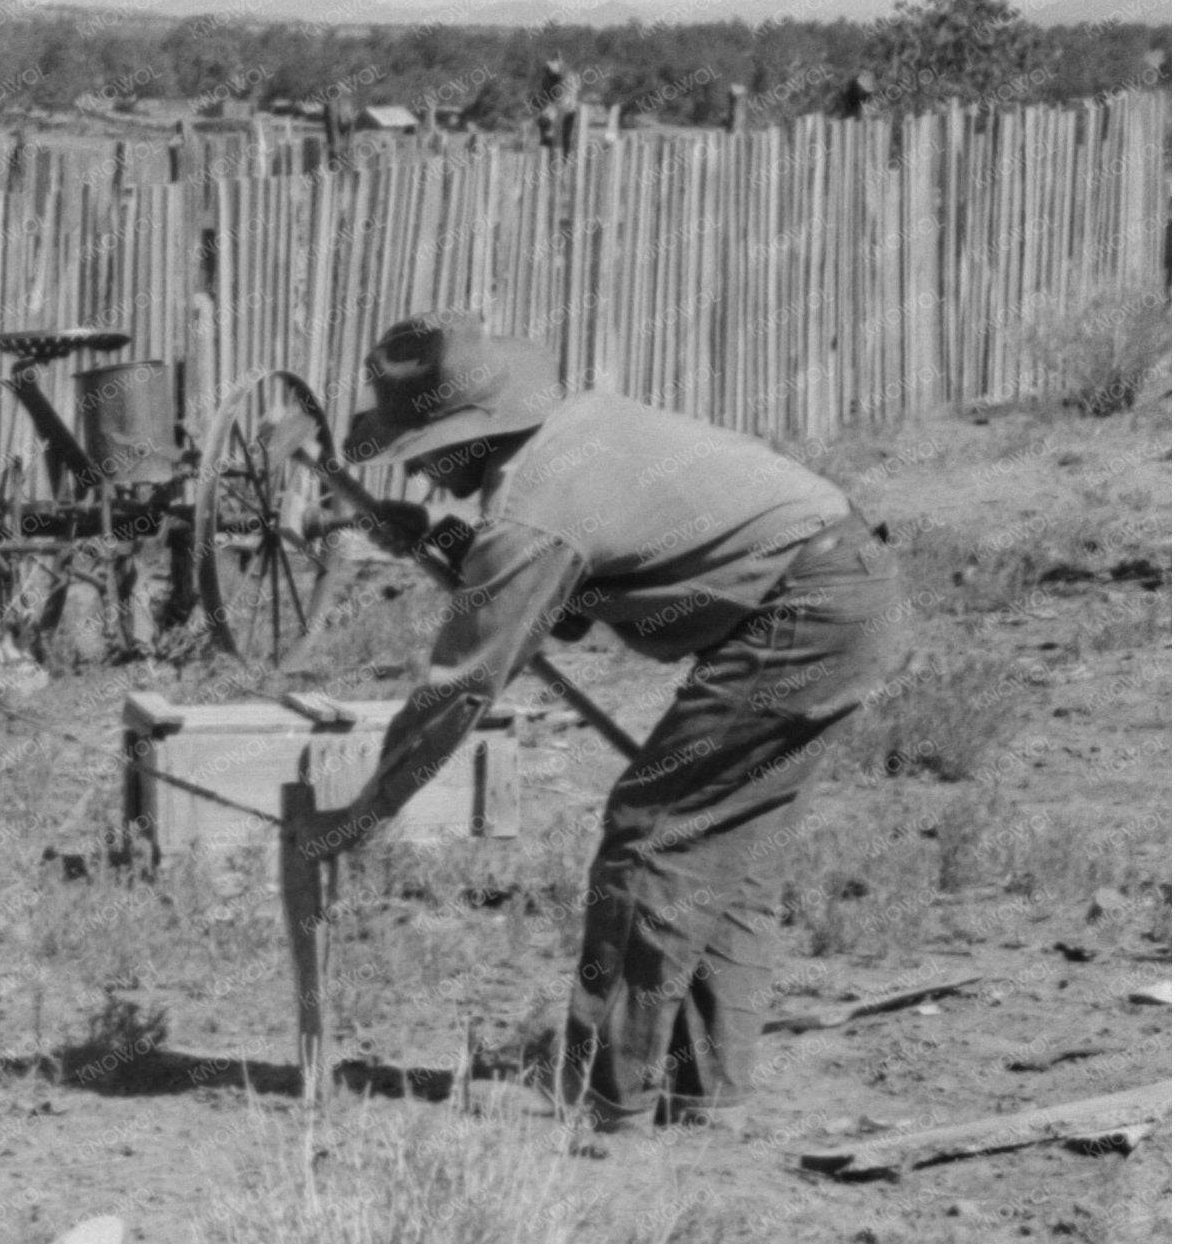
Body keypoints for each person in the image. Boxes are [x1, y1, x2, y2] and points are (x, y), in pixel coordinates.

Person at [308, 316, 910, 1139]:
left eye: (421, 450)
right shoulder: (568, 436)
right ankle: (701, 1095)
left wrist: (365, 811)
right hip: (844, 585)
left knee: (652, 835)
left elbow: (461, 689)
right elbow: (574, 595)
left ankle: (604, 1098)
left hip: (806, 611)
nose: (413, 468)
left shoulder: (531, 513)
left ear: (470, 435)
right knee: (721, 850)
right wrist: (440, 541)